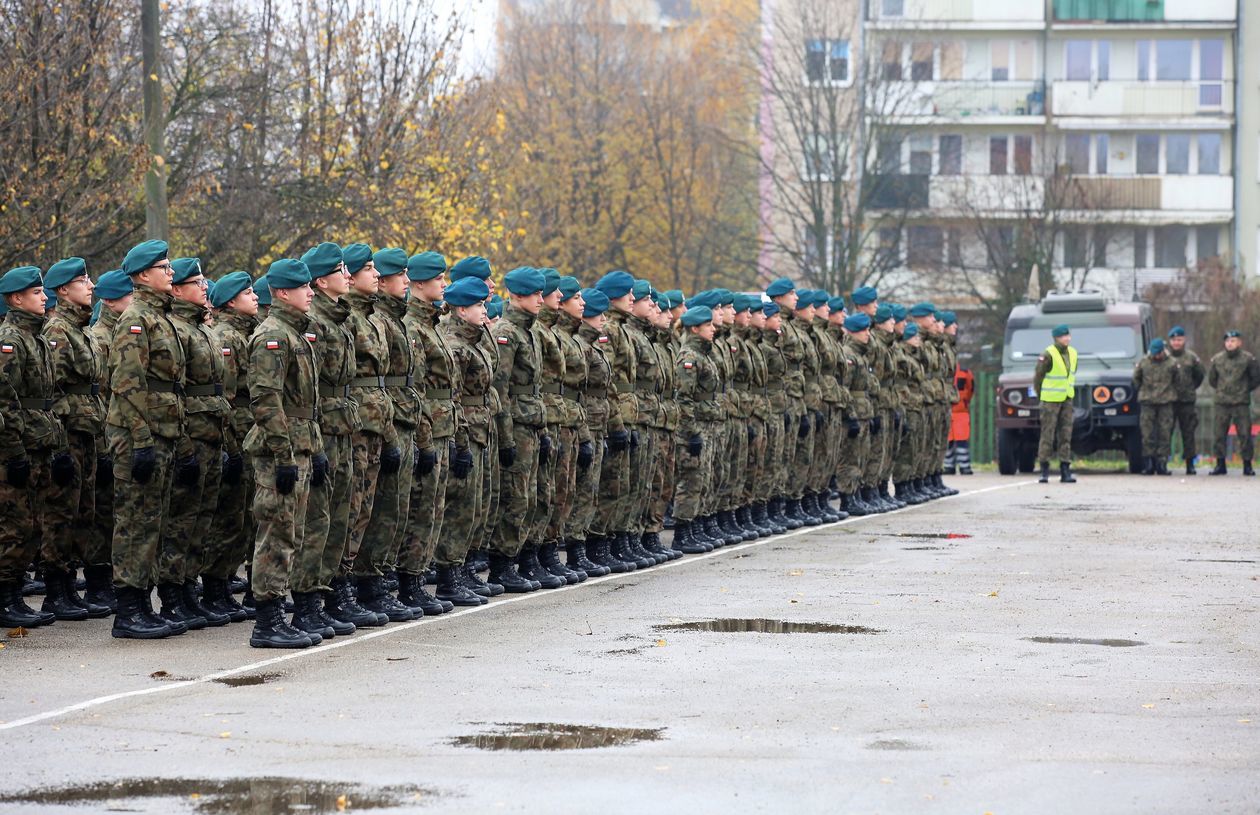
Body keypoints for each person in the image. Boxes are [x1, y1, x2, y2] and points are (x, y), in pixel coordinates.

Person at [107, 240, 190, 639]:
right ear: (142, 275)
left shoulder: (163, 317)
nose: (171, 272)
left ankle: (142, 602)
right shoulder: (135, 319)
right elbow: (128, 384)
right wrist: (140, 440)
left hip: (163, 431)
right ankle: (128, 610)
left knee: (153, 519)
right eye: (164, 266)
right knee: (135, 520)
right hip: (140, 433)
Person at [244, 258, 322, 648]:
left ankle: (281, 613)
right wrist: (283, 454)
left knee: (293, 531)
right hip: (281, 450)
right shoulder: (272, 336)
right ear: (281, 292)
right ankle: (267, 621)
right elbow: (266, 400)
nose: (310, 292)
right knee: (275, 533)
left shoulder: (295, 334)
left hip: (300, 445)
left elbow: (308, 402)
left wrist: (314, 449)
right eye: (302, 286)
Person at [161, 257, 231, 629]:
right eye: (197, 282)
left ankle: (188, 589)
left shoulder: (201, 329)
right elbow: (178, 393)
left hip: (211, 434)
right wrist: (185, 444)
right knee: (181, 521)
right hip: (191, 436)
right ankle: (172, 595)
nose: (205, 287)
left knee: (201, 520)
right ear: (177, 290)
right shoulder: (178, 330)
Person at [41, 258, 110, 620]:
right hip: (67, 434)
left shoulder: (80, 330)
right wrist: (61, 438)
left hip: (86, 431)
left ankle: (69, 584)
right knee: (61, 511)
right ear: (64, 290)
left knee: (83, 511)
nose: (91, 285)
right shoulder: (58, 331)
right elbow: (51, 389)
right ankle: (56, 589)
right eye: (83, 280)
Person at [0, 266, 68, 629]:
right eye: (37, 292)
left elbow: (48, 399)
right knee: (13, 524)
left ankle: (13, 596)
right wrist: (13, 452)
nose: (45, 297)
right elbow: (5, 400)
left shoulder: (37, 339)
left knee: (32, 523)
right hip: (19, 445)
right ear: (16, 298)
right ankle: (6, 596)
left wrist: (56, 446)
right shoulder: (10, 339)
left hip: (39, 441)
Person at [397, 251, 460, 613]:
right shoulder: (414, 326)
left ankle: (416, 579)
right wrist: (423, 437)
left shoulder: (432, 323)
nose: (444, 285)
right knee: (421, 508)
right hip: (427, 424)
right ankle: (408, 581)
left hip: (441, 422)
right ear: (420, 284)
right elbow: (416, 387)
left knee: (433, 506)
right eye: (438, 279)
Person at [491, 266, 553, 590]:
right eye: (535, 293)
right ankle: (503, 565)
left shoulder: (530, 330)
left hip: (531, 422)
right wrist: (504, 437)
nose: (541, 300)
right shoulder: (507, 332)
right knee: (515, 497)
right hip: (514, 423)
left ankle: (525, 559)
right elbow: (499, 389)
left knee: (531, 495)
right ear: (516, 295)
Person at [436, 276, 495, 605]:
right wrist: (460, 443)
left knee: (473, 506)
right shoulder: (456, 347)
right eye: (478, 305)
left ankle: (459, 572)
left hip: (478, 428)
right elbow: (454, 399)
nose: (485, 311)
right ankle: (448, 577)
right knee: (458, 508)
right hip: (465, 430)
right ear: (461, 309)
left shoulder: (472, 341)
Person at [204, 271, 258, 623]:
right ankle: (213, 587)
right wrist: (231, 448)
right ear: (230, 302)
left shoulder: (243, 334)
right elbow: (225, 397)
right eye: (247, 292)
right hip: (234, 434)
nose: (254, 297)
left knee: (241, 518)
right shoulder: (227, 337)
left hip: (245, 432)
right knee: (227, 519)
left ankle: (221, 585)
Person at [669, 305, 723, 554]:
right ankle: (683, 532)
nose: (713, 329)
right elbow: (684, 398)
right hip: (695, 426)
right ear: (695, 328)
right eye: (709, 325)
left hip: (707, 423)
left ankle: (696, 527)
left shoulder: (704, 354)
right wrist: (690, 431)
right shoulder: (689, 356)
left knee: (704, 478)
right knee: (691, 479)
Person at [1207, 330, 1260, 475]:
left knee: (1244, 434)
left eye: (1233, 341)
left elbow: (1255, 378)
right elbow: (1212, 379)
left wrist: (1243, 389)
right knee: (1219, 434)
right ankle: (1220, 464)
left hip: (1240, 402)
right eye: (1228, 341)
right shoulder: (1217, 359)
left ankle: (1247, 465)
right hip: (1222, 402)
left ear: (1239, 343)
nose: (1230, 344)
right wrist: (1222, 390)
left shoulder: (1248, 359)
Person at [1033, 323, 1077, 484]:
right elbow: (1038, 376)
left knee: (1066, 434)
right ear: (1057, 338)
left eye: (1068, 335)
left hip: (1066, 399)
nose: (1067, 338)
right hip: (1050, 400)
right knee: (1047, 435)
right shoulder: (1048, 354)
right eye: (1064, 336)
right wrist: (1041, 395)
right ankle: (1044, 470)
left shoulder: (1073, 353)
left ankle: (1065, 470)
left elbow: (1070, 375)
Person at [1166, 326, 1205, 475]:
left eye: (1179, 339)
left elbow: (1200, 376)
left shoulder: (1191, 357)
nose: (1176, 342)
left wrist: (1190, 388)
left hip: (1186, 401)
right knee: (1165, 432)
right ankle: (1163, 463)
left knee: (1188, 433)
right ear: (1170, 341)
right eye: (1174, 340)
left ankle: (1190, 464)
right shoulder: (1165, 357)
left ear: (1184, 340)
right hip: (1168, 401)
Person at [1134, 338, 1176, 475]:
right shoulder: (1144, 363)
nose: (1156, 356)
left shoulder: (1172, 364)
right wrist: (1145, 392)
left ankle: (1162, 463)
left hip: (1165, 402)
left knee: (1165, 433)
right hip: (1148, 402)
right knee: (1147, 433)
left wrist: (1169, 393)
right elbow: (1136, 379)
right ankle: (1149, 463)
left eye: (1158, 353)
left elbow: (1178, 380)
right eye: (1154, 353)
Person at [946, 355, 975, 476]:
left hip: (958, 411)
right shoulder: (963, 372)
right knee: (950, 440)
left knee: (958, 440)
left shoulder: (963, 372)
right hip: (954, 410)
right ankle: (956, 466)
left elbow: (970, 388)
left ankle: (957, 466)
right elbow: (971, 389)